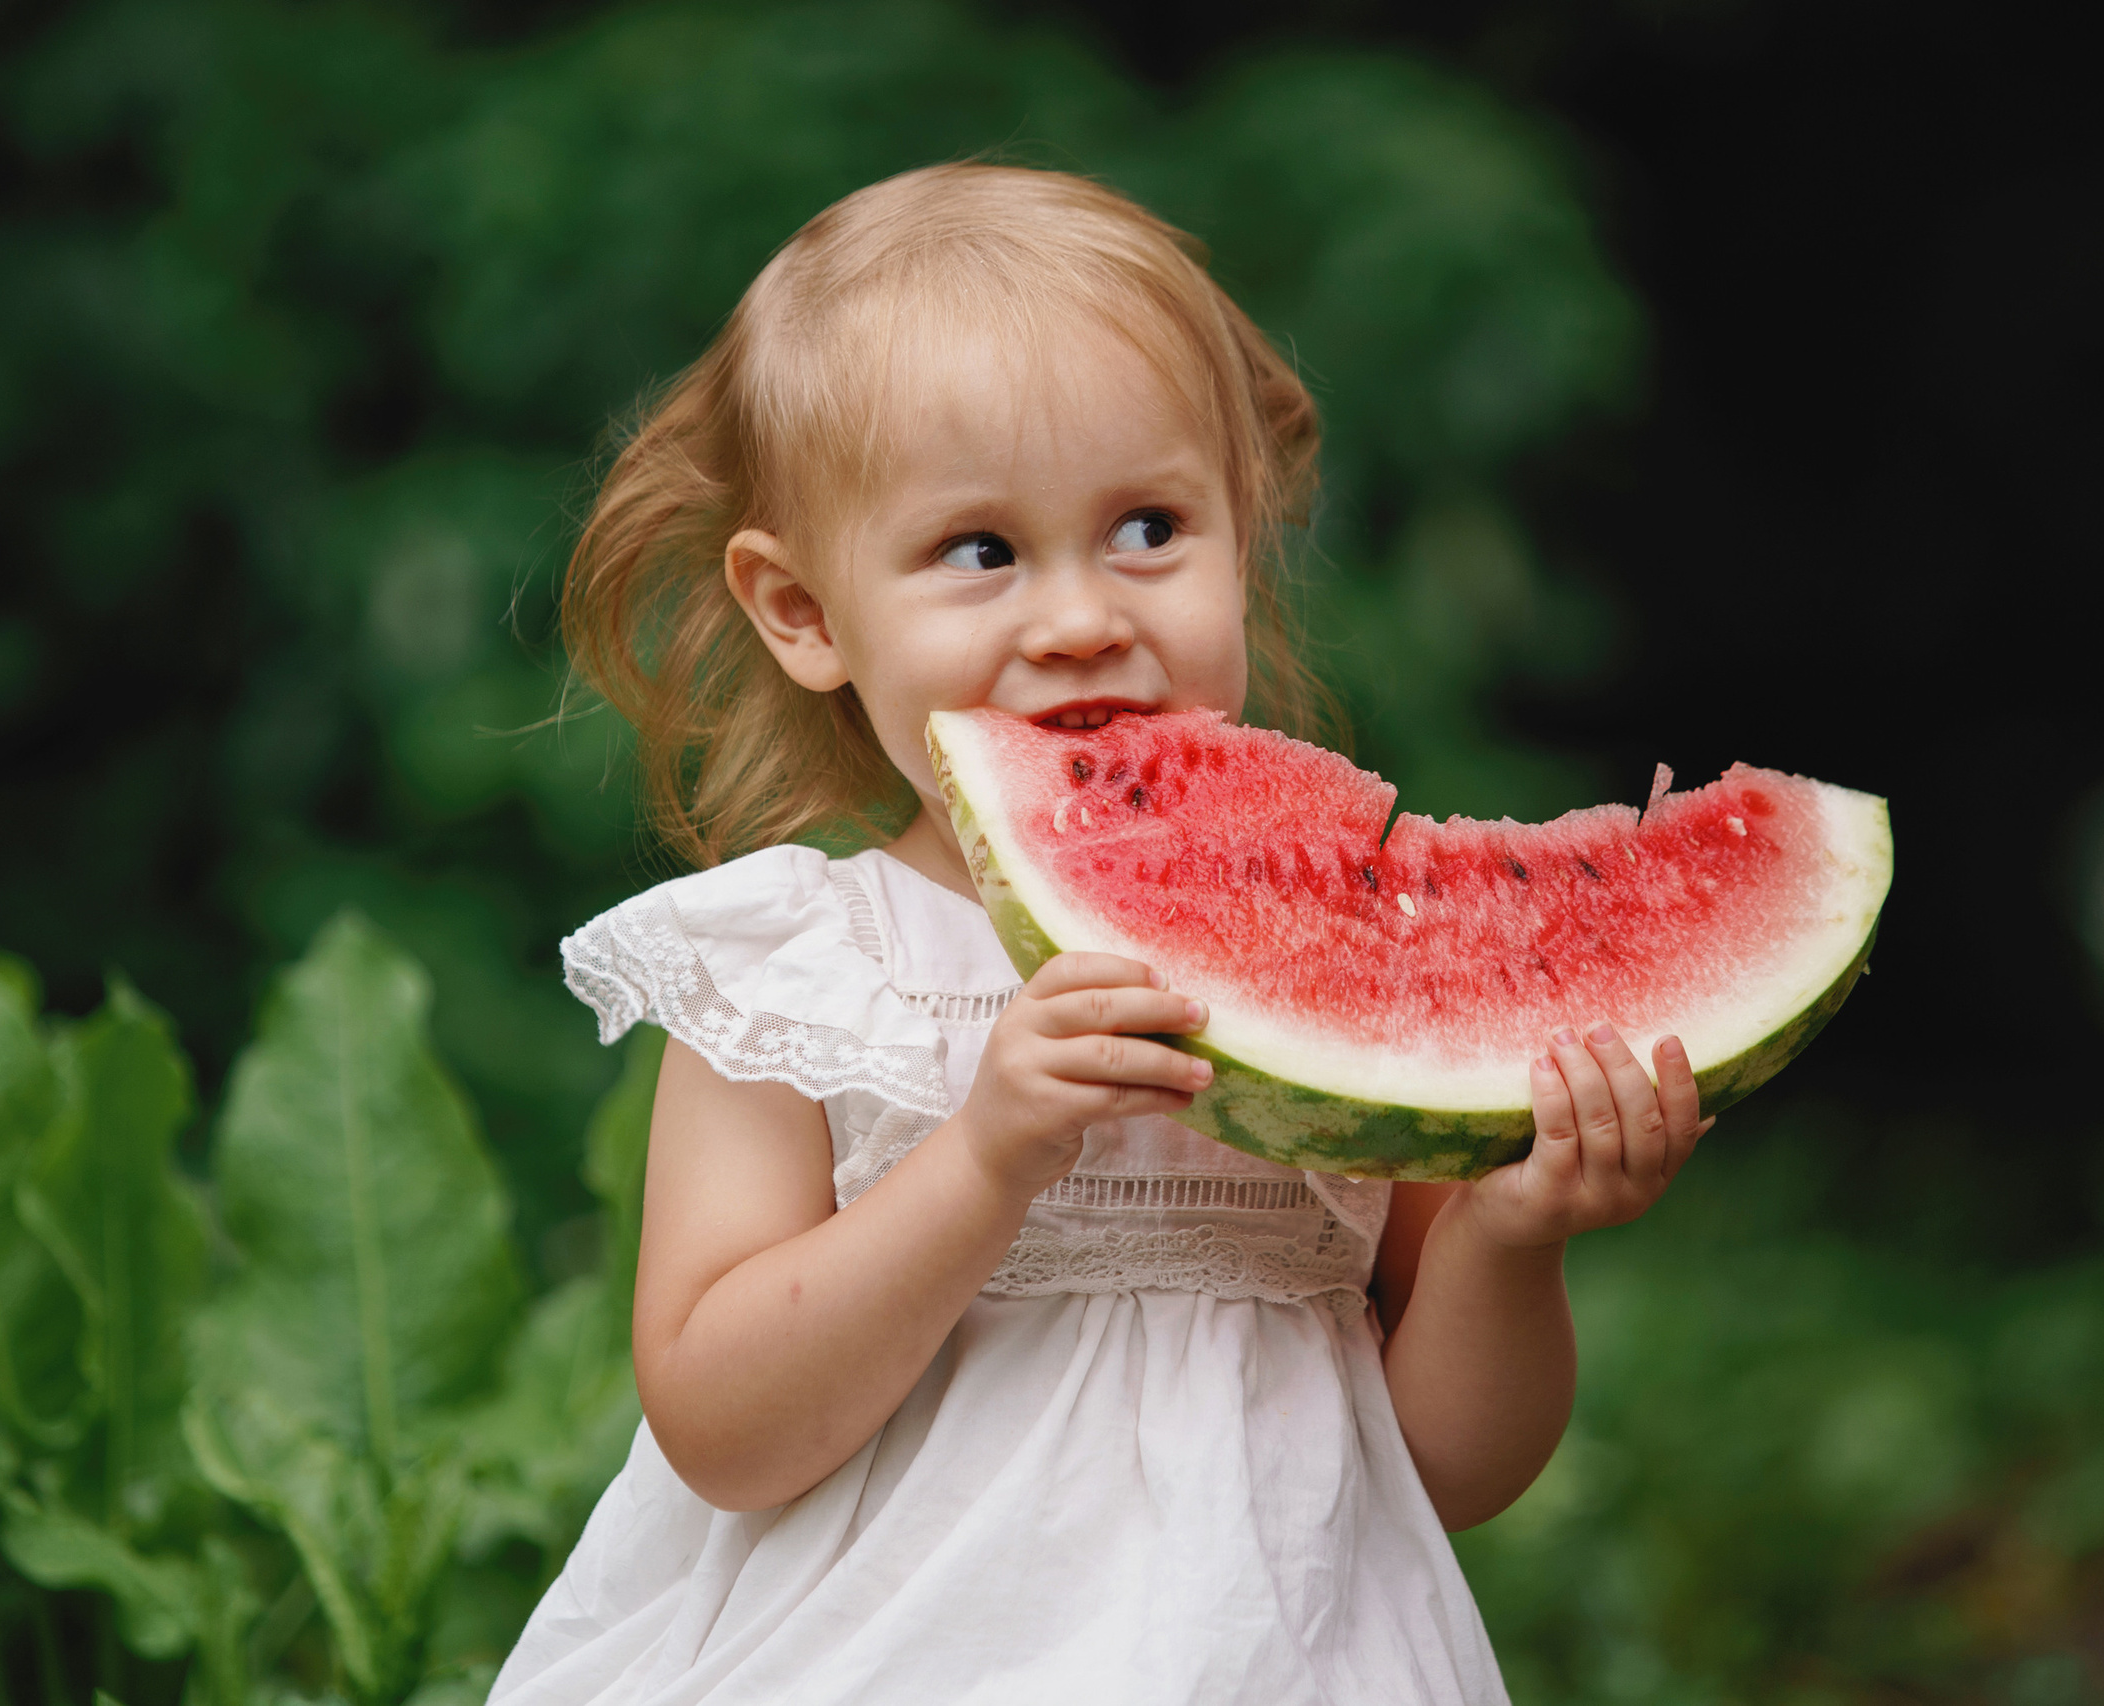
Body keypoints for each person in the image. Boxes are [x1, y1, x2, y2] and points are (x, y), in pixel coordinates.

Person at [491, 163, 1709, 1706]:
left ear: (1240, 537)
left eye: (1148, 526)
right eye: (982, 551)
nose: (1079, 616)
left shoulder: (1353, 951)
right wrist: (982, 1156)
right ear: (800, 610)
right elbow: (726, 1433)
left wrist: (1514, 1239)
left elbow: (1453, 1468)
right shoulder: (801, 969)